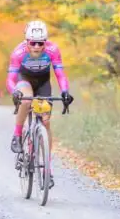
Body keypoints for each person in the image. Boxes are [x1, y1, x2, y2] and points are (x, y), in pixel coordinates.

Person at [6, 20, 74, 189]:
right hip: (25, 81)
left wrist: (65, 91)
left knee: (45, 121)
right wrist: (15, 91)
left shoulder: (53, 50)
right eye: (33, 43)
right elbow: (10, 79)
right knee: (27, 99)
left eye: (40, 43)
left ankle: (47, 170)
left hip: (43, 83)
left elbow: (60, 74)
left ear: (45, 42)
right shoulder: (18, 52)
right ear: (26, 42)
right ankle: (17, 135)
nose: (36, 47)